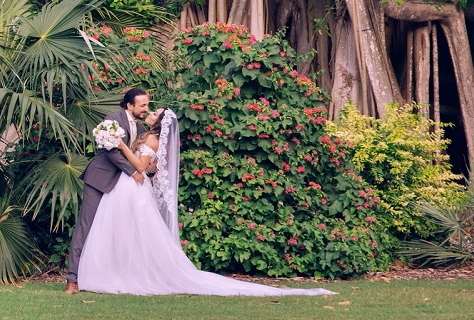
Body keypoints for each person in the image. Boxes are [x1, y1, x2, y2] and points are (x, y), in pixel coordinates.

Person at [76, 109, 336, 296]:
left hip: (133, 186)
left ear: (160, 123)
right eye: (149, 109)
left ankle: (127, 275)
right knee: (121, 231)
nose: (150, 112)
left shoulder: (152, 138)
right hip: (126, 187)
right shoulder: (146, 134)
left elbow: (141, 167)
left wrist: (121, 147)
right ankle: (118, 272)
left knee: (130, 232)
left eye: (154, 112)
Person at [65, 87, 157, 294]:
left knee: (115, 231)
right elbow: (111, 152)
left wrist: (149, 167)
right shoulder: (112, 119)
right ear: (129, 105)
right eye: (142, 105)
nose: (145, 108)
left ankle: (105, 276)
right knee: (85, 226)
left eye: (147, 105)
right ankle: (72, 279)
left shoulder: (141, 129)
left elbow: (139, 154)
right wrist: (133, 172)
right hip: (100, 179)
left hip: (123, 188)